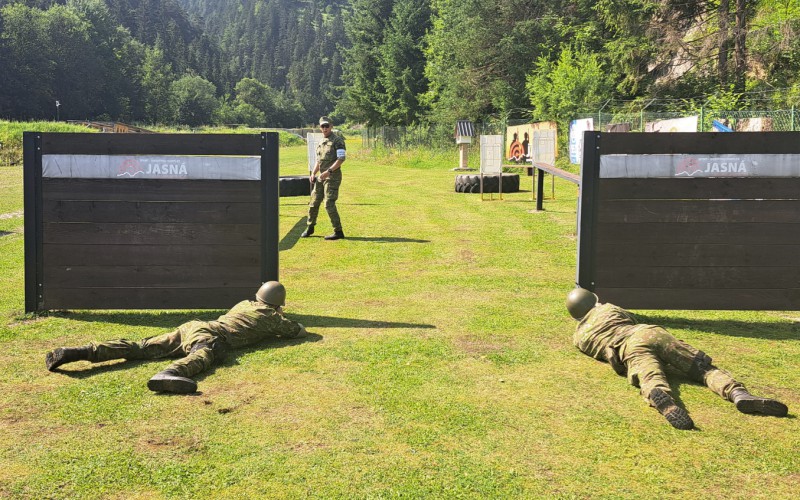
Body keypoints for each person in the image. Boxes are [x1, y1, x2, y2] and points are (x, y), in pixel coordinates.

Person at [566, 287, 789, 430]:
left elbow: (599, 353)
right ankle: (738, 393)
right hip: (649, 332)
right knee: (702, 369)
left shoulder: (579, 337)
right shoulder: (608, 309)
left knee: (649, 376)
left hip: (626, 349)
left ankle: (664, 400)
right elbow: (631, 319)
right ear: (593, 301)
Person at [45, 281, 307, 394]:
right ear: (278, 304)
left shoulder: (244, 303)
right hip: (210, 335)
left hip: (193, 326)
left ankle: (76, 352)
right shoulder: (272, 318)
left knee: (141, 347)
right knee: (204, 354)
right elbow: (298, 332)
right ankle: (170, 373)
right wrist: (283, 317)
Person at [302, 116, 346, 240]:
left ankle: (338, 231)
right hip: (321, 177)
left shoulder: (338, 141)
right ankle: (310, 227)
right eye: (323, 126)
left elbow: (341, 159)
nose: (325, 128)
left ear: (331, 126)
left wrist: (329, 171)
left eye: (327, 126)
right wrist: (313, 173)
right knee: (313, 202)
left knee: (328, 203)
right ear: (320, 128)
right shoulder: (321, 142)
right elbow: (319, 160)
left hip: (332, 177)